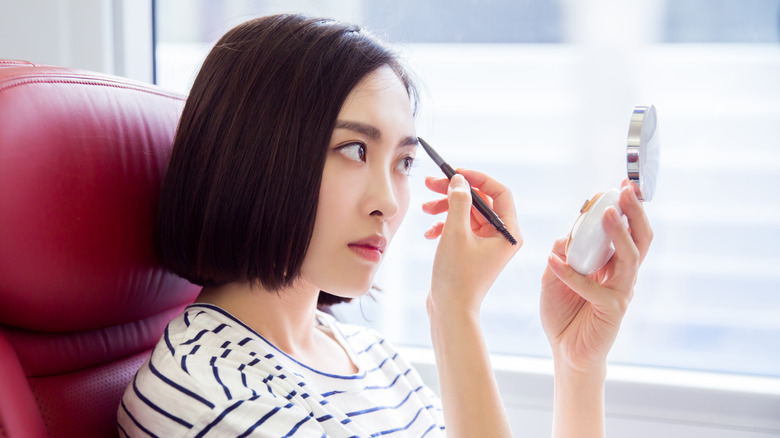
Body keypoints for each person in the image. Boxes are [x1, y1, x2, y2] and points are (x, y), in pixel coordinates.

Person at [118, 14, 652, 438]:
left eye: (403, 162)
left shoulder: (373, 360)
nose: (389, 203)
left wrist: (577, 365)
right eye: (355, 150)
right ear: (256, 157)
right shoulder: (208, 392)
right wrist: (453, 313)